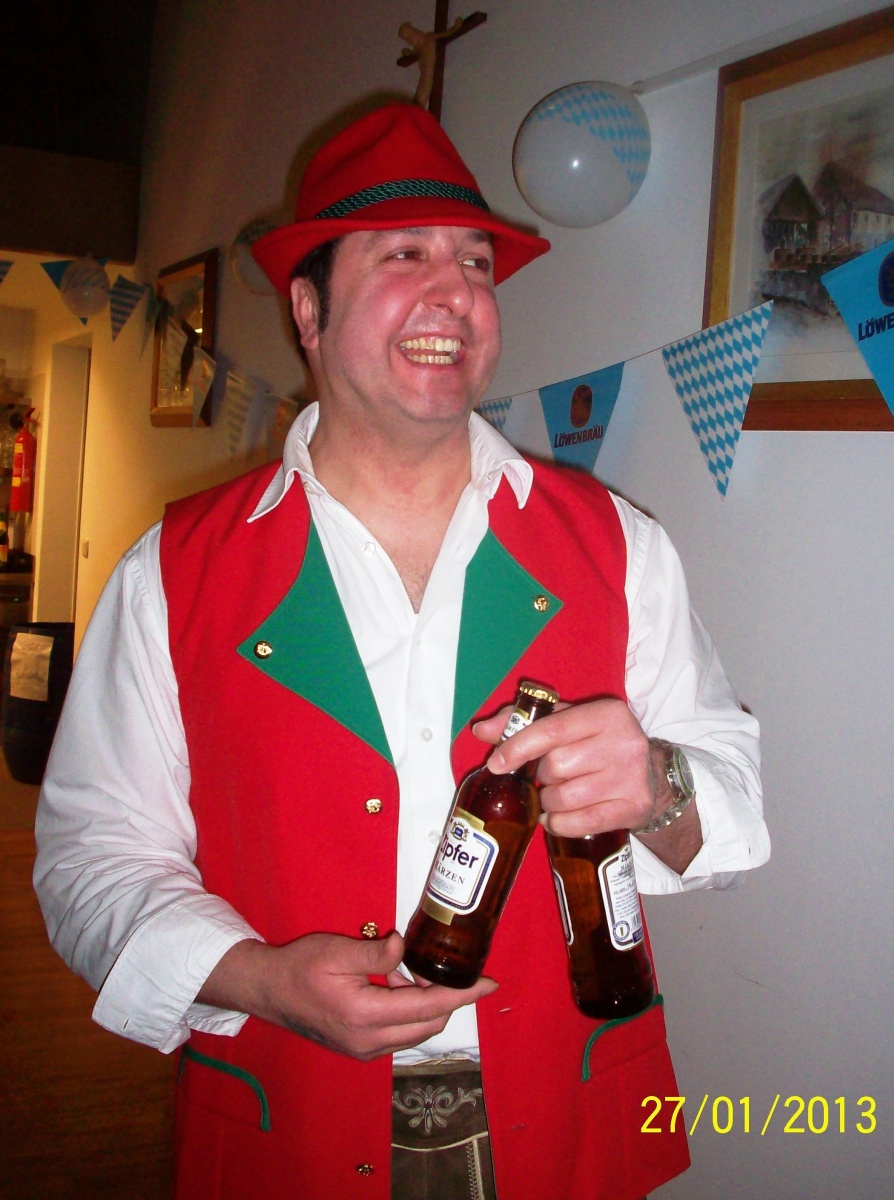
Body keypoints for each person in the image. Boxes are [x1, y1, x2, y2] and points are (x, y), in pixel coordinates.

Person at [34, 103, 769, 1200]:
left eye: (474, 261)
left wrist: (660, 785)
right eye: (403, 255)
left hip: (570, 1127)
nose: (454, 291)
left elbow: (734, 805)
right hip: (288, 1132)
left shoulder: (617, 544)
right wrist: (258, 979)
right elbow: (91, 859)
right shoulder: (171, 574)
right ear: (308, 309)